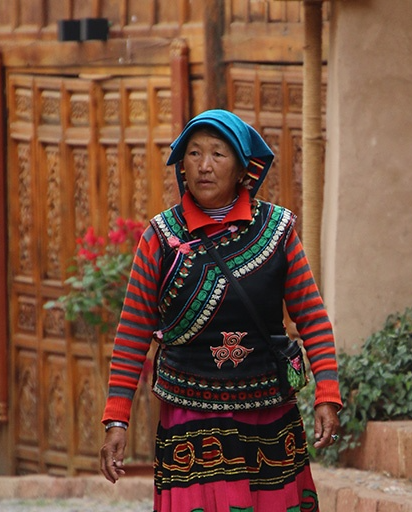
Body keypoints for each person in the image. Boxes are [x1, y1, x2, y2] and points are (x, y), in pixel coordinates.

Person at [99, 109, 341, 511]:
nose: (204, 166)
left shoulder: (278, 231)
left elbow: (312, 319)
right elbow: (132, 333)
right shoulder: (160, 239)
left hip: (267, 413)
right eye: (193, 154)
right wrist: (116, 420)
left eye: (217, 154)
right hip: (188, 415)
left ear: (243, 169)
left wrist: (327, 395)